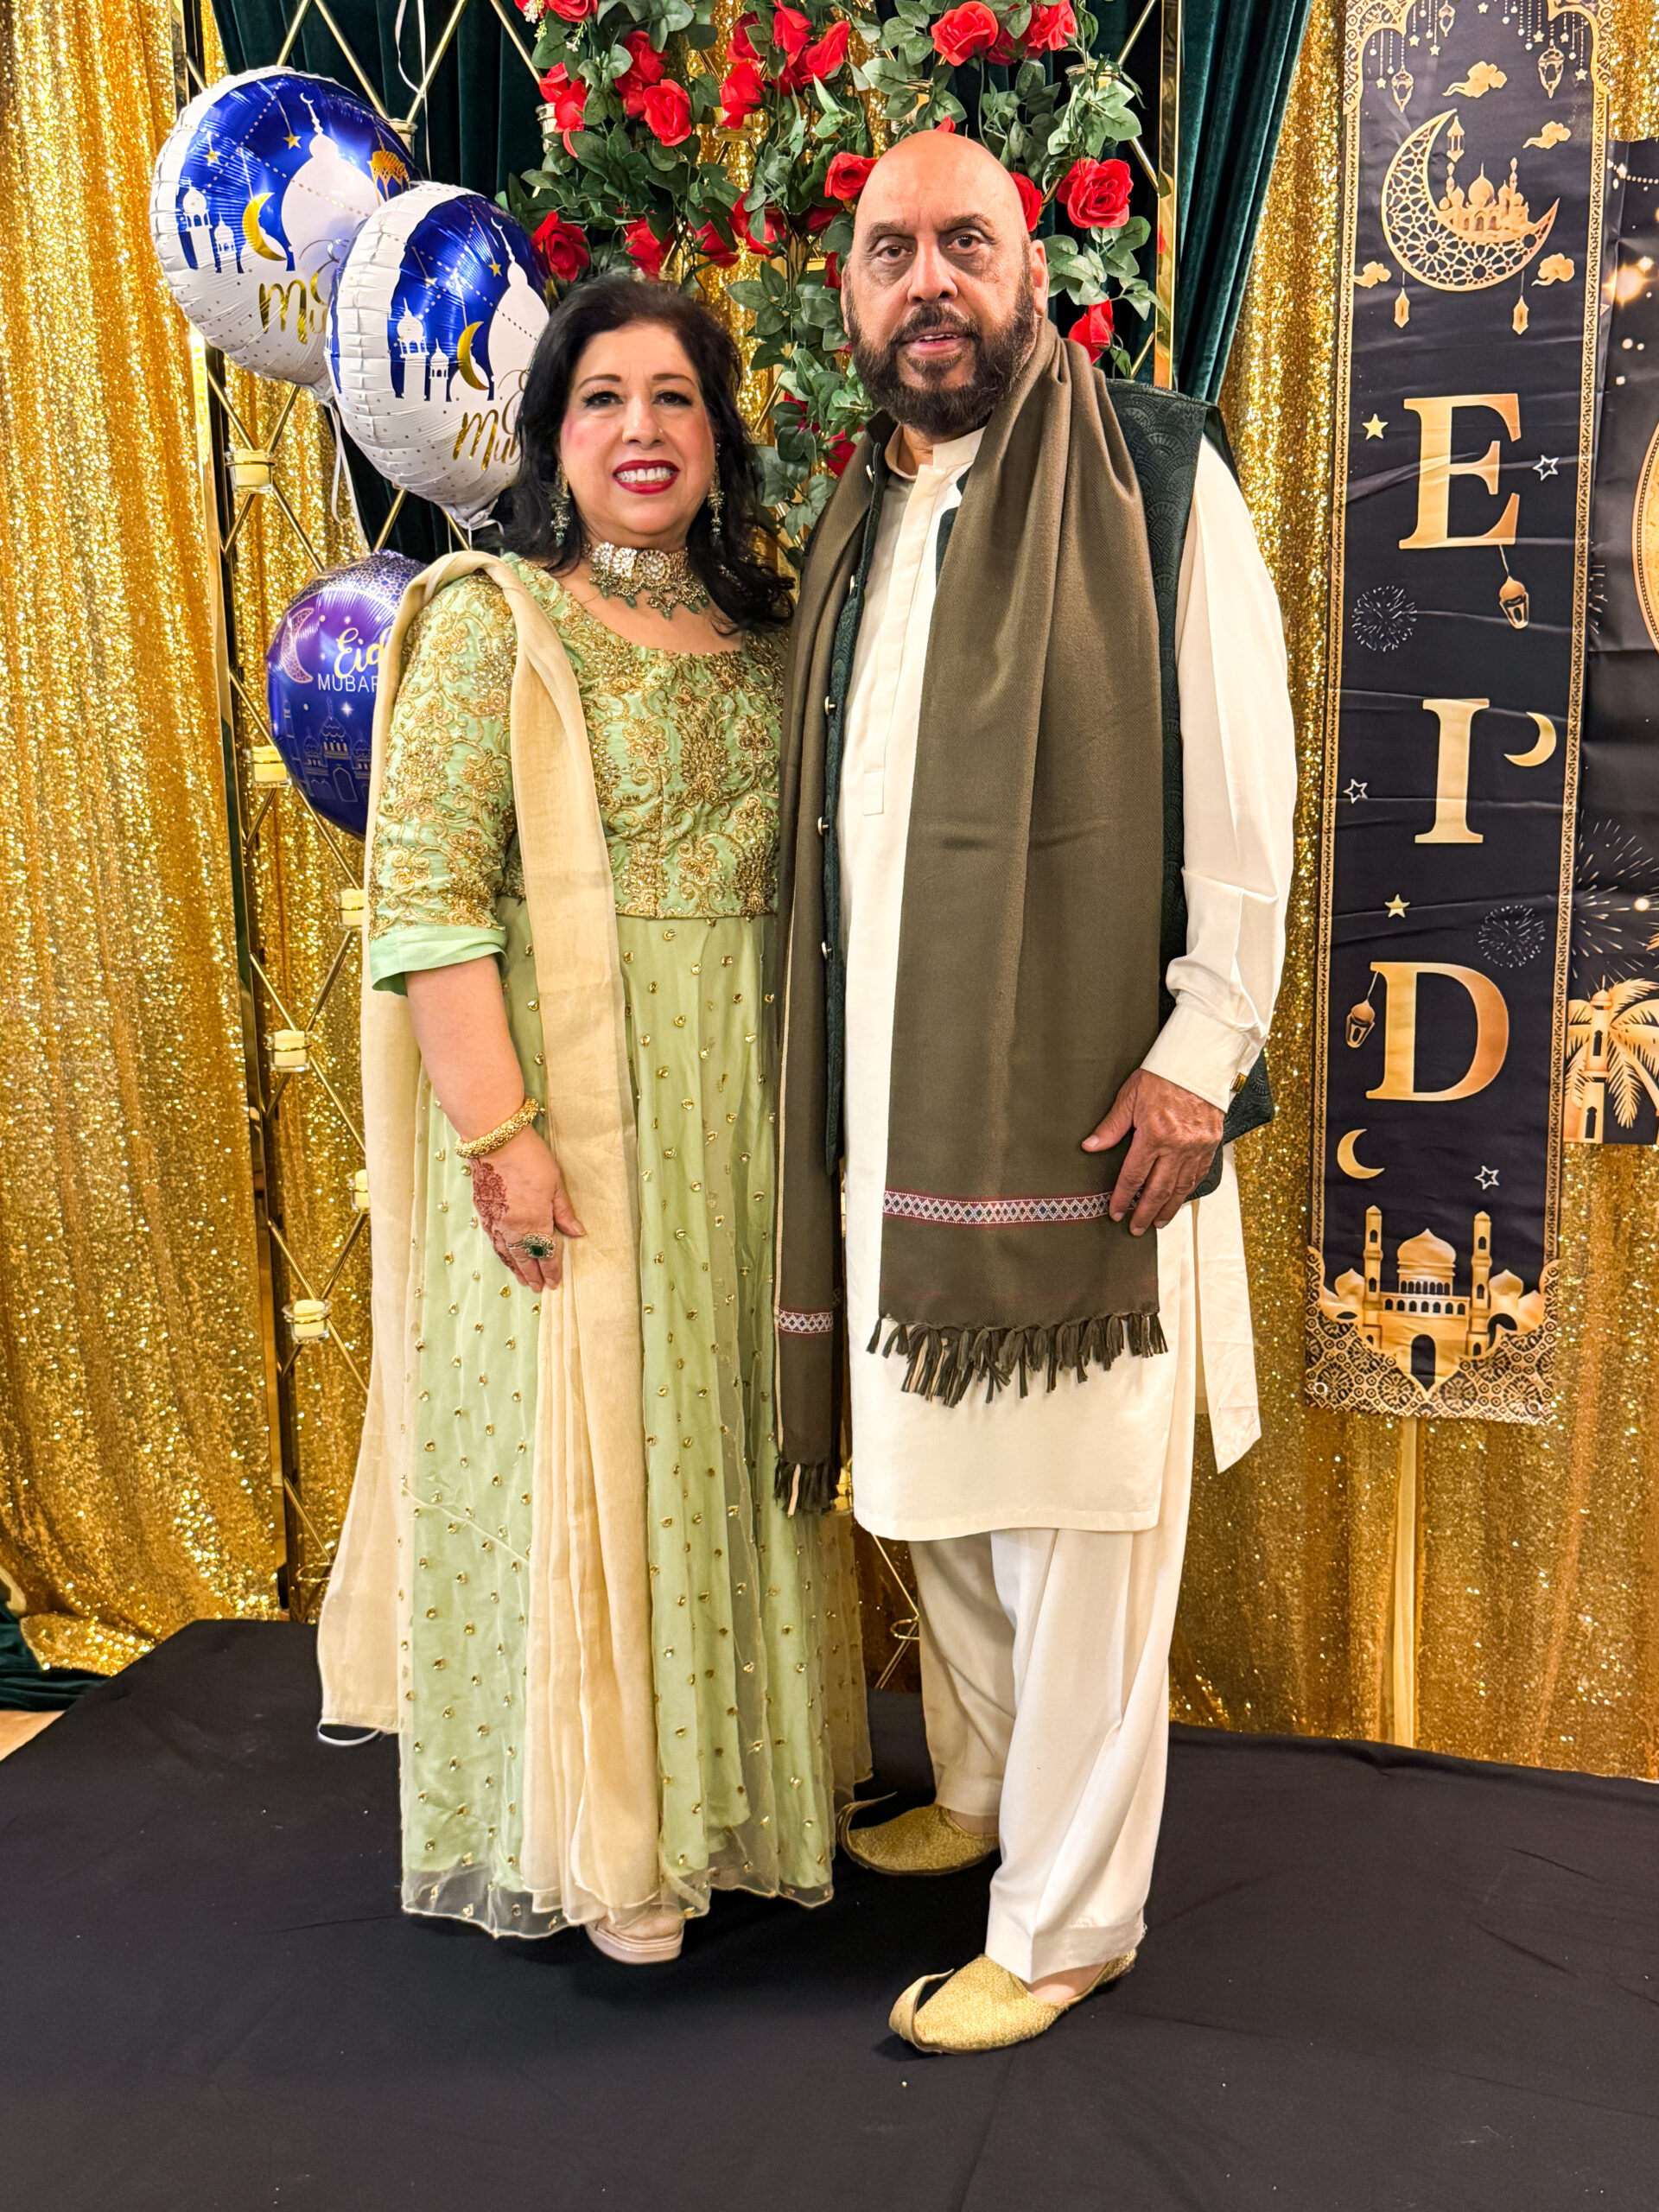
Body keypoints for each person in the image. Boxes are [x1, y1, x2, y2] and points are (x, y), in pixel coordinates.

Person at [772, 133, 1296, 2050]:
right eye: (890, 248)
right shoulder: (857, 514)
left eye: (965, 243)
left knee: (1075, 1514)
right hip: (896, 1113)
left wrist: (1199, 1054)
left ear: (1031, 272)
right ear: (851, 292)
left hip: (1094, 1115)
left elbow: (1243, 782)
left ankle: (1069, 1922)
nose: (929, 279)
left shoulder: (1154, 473)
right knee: (939, 1488)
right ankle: (985, 1785)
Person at [318, 277, 868, 1962]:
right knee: (602, 1452)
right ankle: (609, 1831)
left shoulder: (776, 634)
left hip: (746, 1118)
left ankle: (730, 1803)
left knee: (733, 1449)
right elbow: (425, 906)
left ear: (718, 433)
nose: (643, 429)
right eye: (605, 398)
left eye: (675, 397)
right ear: (554, 439)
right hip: (580, 1116)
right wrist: (502, 1139)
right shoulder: (493, 623)